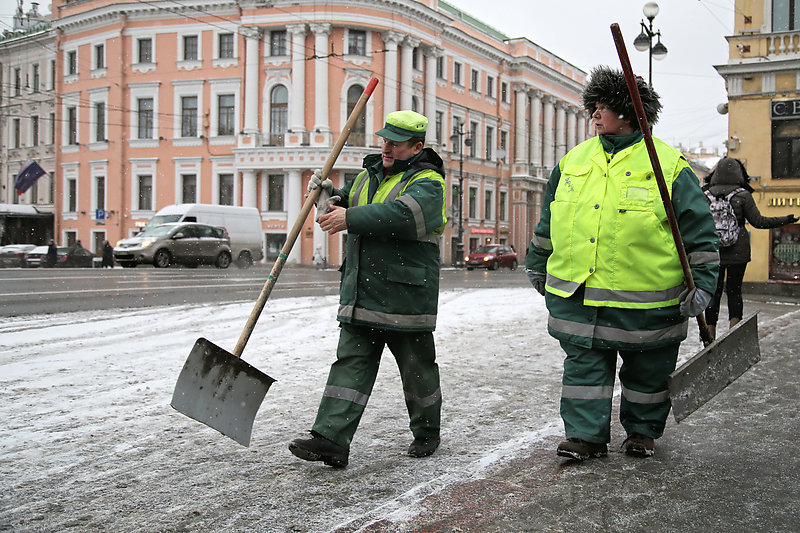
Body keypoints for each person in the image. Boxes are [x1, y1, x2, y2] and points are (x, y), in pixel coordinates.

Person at [525, 66, 719, 461]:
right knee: (583, 372)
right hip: (579, 297)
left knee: (647, 374)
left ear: (630, 112)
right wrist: (538, 260)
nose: (594, 114)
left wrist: (703, 283)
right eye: (592, 106)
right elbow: (550, 220)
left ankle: (641, 432)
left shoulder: (669, 166)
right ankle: (585, 436)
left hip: (648, 305)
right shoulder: (573, 162)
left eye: (604, 107)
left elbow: (698, 234)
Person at [289, 110, 447, 467]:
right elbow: (341, 205)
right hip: (361, 292)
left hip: (405, 296)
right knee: (349, 366)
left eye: (396, 142)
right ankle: (330, 439)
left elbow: (404, 215)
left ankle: (427, 431)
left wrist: (350, 217)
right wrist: (327, 197)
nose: (387, 147)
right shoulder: (367, 176)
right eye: (385, 139)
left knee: (417, 369)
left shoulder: (429, 182)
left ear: (417, 146)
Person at [702, 157, 797, 340]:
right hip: (738, 251)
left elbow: (697, 221)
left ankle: (709, 335)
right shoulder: (743, 195)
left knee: (714, 292)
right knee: (734, 290)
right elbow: (759, 222)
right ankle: (734, 334)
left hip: (713, 251)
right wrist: (785, 219)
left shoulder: (705, 194)